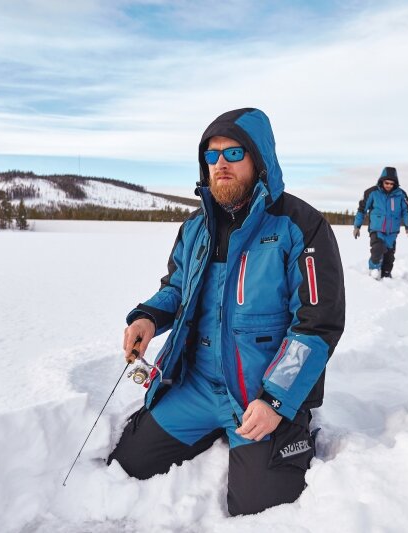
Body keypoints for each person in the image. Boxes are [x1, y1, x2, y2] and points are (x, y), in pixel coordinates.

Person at [108, 108, 345, 516]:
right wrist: (147, 317)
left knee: (259, 510)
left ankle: (292, 425)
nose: (221, 164)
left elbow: (315, 324)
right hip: (197, 387)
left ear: (259, 158)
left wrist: (275, 401)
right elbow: (178, 289)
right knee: (127, 464)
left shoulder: (300, 226)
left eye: (234, 153)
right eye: (212, 155)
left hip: (259, 395)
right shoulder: (195, 228)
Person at [352, 167, 408, 279]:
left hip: (392, 231)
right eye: (387, 183)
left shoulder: (401, 194)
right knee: (377, 249)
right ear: (382, 181)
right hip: (377, 229)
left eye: (391, 183)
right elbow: (362, 209)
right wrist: (357, 226)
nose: (389, 185)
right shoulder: (372, 192)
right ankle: (374, 270)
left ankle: (386, 275)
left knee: (389, 257)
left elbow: (407, 211)